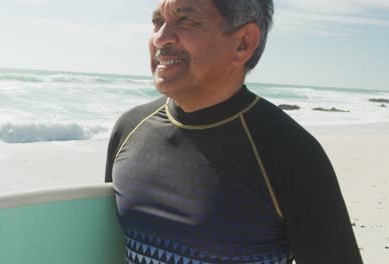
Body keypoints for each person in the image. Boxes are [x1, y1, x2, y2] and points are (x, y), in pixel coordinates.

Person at [105, 0, 363, 263]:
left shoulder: (290, 152)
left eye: (185, 21)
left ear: (242, 43)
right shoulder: (129, 129)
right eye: (158, 22)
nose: (160, 38)